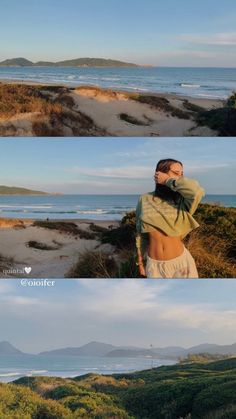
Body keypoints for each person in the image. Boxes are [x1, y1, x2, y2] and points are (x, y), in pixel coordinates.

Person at [136, 158, 205, 278]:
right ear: (159, 173)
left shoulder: (182, 200)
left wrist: (169, 180)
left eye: (182, 174)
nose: (180, 177)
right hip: (154, 265)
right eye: (176, 173)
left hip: (181, 264)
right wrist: (140, 263)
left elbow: (197, 191)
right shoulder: (145, 198)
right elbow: (140, 234)